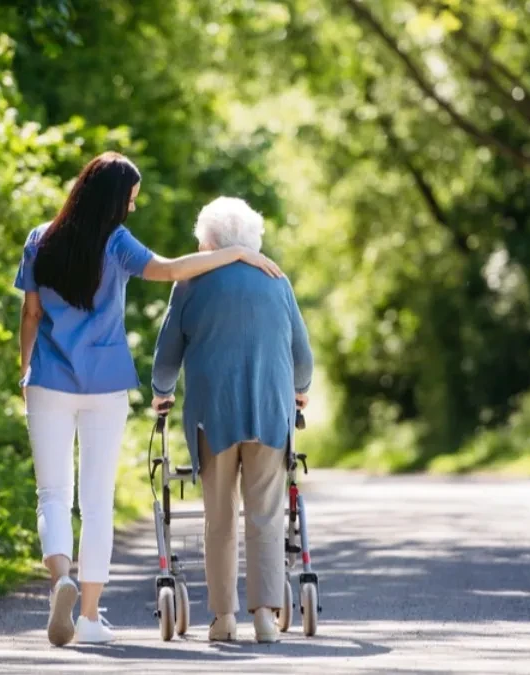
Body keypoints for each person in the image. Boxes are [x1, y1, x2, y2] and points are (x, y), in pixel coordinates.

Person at [15, 153, 283, 647]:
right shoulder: (115, 243)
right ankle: (90, 617)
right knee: (96, 501)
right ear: (113, 200)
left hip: (48, 380)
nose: (132, 210)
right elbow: (170, 269)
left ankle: (61, 582)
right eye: (131, 200)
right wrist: (237, 253)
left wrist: (25, 368)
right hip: (106, 383)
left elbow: (31, 314)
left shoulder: (40, 239)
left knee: (52, 495)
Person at [150, 196, 313, 643]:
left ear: (213, 241)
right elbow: (302, 353)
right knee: (265, 513)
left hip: (212, 416)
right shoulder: (277, 281)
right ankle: (264, 616)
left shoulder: (189, 284)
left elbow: (167, 355)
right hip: (269, 410)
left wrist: (161, 394)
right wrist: (301, 389)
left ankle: (223, 619)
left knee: (219, 517)